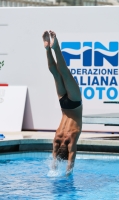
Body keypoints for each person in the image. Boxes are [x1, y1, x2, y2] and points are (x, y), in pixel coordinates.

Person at [42, 30, 82, 175]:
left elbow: (61, 162)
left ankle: (51, 47)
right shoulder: (63, 140)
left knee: (59, 72)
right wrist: (62, 170)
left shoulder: (64, 140)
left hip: (70, 104)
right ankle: (51, 47)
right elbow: (61, 160)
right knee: (59, 71)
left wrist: (62, 171)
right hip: (69, 103)